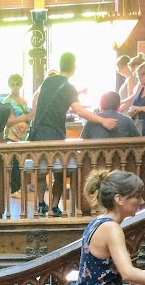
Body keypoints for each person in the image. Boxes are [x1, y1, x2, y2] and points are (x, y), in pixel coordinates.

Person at [29, 53, 119, 216]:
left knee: (41, 172)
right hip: (55, 135)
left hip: (39, 134)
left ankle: (41, 204)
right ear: (73, 67)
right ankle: (55, 206)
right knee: (60, 172)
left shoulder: (48, 81)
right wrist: (102, 121)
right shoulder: (68, 87)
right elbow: (78, 110)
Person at [120, 61, 145, 136]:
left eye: (143, 74)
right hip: (139, 126)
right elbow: (134, 106)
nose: (140, 77)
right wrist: (131, 112)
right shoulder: (141, 90)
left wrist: (140, 108)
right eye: (138, 75)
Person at [3, 74, 33, 142]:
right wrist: (24, 118)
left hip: (24, 136)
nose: (15, 86)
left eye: (17, 84)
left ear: (21, 85)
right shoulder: (7, 101)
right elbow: (8, 121)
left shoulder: (23, 100)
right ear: (9, 85)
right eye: (12, 84)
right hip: (12, 137)